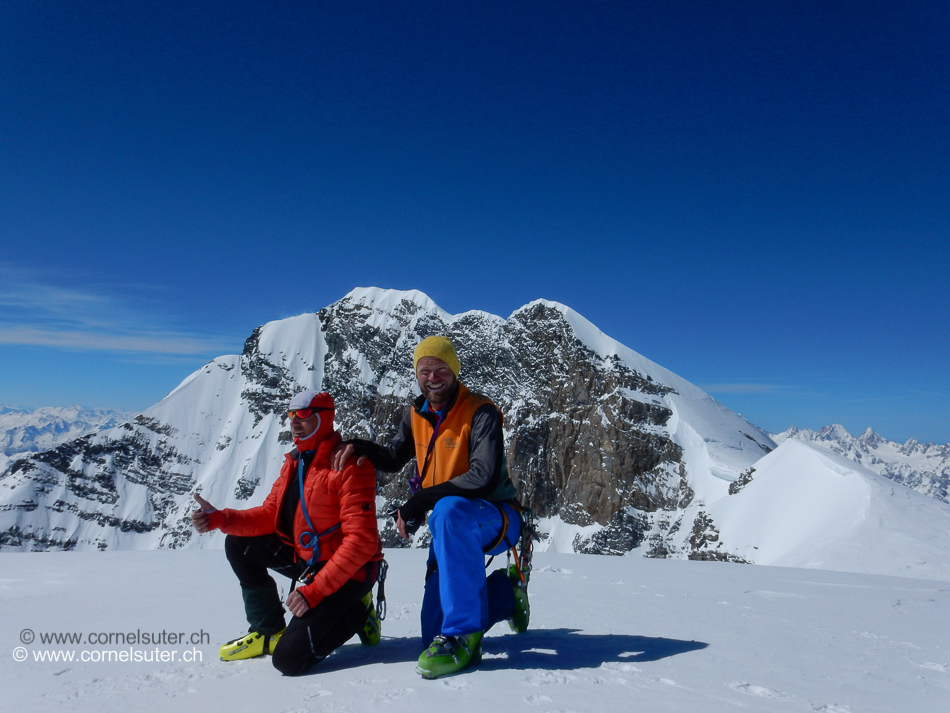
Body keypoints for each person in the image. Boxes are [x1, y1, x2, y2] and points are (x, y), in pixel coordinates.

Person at [332, 336, 529, 679]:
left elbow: (482, 477)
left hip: (496, 518)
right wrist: (357, 446)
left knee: (450, 509)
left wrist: (421, 500)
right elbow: (394, 457)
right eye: (425, 370)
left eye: (441, 369)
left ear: (454, 371)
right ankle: (506, 595)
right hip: (448, 523)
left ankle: (463, 636)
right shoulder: (417, 412)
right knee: (429, 635)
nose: (433, 377)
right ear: (417, 374)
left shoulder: (480, 411)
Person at [191, 391, 383, 676]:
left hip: (351, 571)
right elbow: (271, 515)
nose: (295, 421)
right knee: (239, 545)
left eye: (304, 415)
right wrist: (220, 519)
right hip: (310, 561)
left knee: (289, 660)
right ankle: (267, 630)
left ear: (324, 417)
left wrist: (313, 592)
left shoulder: (350, 466)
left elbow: (362, 541)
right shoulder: (296, 461)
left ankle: (358, 612)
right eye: (291, 414)